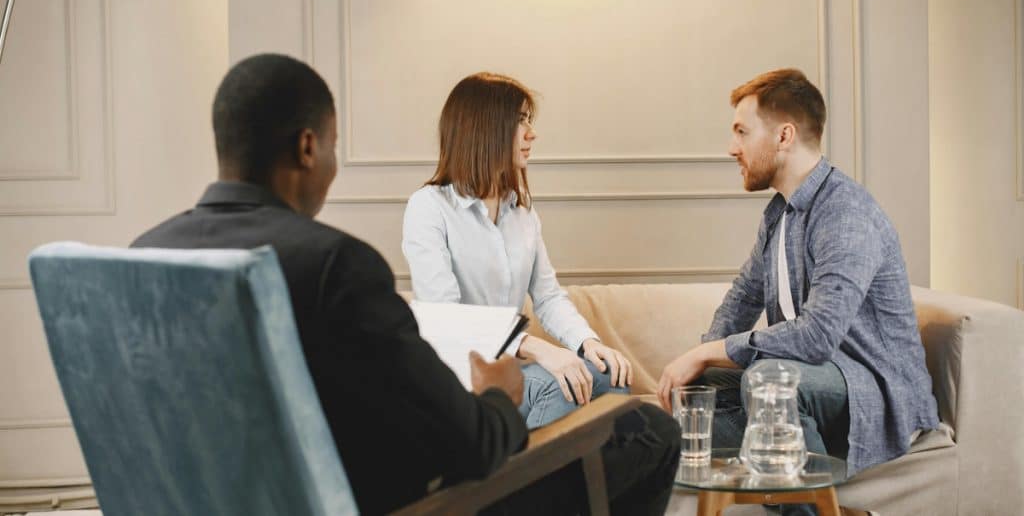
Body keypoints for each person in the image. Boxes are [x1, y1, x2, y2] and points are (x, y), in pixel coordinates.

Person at [134, 54, 680, 515]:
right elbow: (462, 439)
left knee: (613, 401)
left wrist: (576, 347)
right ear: (308, 147)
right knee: (651, 434)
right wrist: (500, 395)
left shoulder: (143, 258)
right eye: (333, 144)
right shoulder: (337, 264)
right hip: (419, 490)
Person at [656, 68, 938, 516]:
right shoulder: (778, 214)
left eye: (742, 132)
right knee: (700, 397)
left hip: (871, 388)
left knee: (766, 381)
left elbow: (818, 336)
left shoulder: (846, 213)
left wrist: (710, 351)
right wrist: (696, 364)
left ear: (784, 135)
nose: (733, 147)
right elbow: (741, 300)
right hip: (808, 382)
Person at [403, 72, 633, 429]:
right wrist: (538, 348)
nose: (532, 133)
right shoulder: (429, 207)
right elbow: (446, 314)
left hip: (509, 376)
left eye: (530, 120)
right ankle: (521, 476)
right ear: (486, 128)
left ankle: (522, 470)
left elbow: (549, 296)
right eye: (521, 121)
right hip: (460, 382)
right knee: (559, 387)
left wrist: (588, 344)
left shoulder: (521, 210)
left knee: (612, 377)